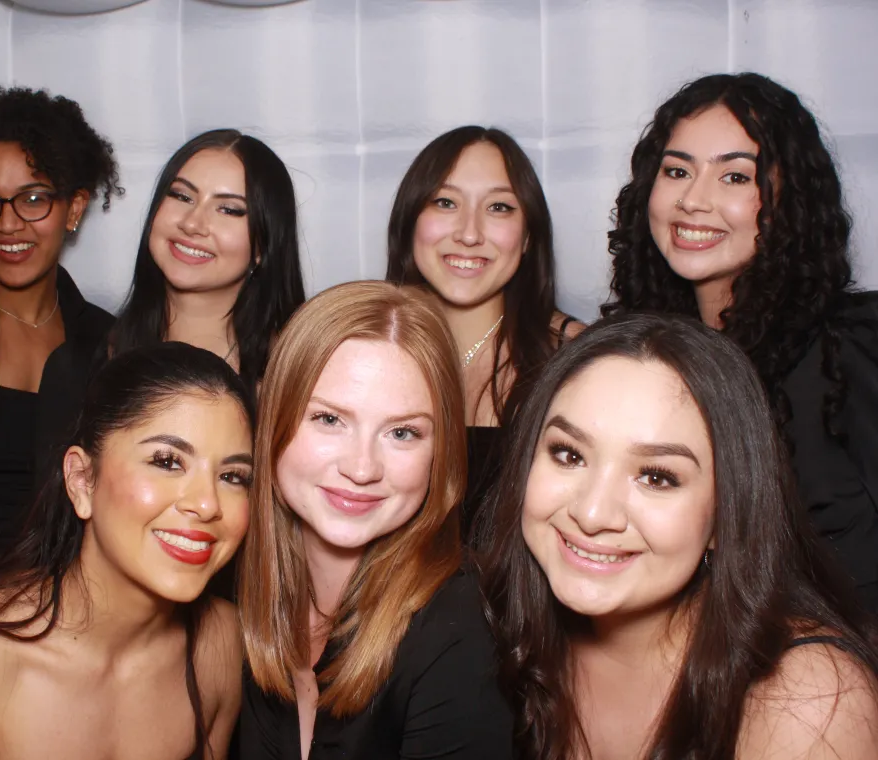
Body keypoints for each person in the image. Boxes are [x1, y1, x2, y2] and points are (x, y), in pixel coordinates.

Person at [477, 313, 878, 759]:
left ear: (725, 518)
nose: (592, 513)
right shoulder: (487, 629)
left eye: (656, 477)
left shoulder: (808, 702)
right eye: (568, 454)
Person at [0, 342, 253, 760]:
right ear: (81, 480)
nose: (207, 504)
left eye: (234, 476)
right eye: (166, 461)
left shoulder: (221, 645)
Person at [601, 72, 878, 609]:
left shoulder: (855, 349)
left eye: (735, 177)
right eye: (677, 171)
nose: (693, 201)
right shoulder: (643, 361)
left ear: (787, 198)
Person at [237, 281, 513, 759]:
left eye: (402, 432)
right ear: (274, 421)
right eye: (329, 420)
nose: (361, 468)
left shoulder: (459, 631)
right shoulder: (229, 589)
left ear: (439, 453)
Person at [0, 82, 123, 571]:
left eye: (34, 198)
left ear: (75, 209)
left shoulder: (112, 345)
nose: (7, 223)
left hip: (74, 608)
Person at [386, 126, 581, 539]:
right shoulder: (365, 350)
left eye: (499, 208)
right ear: (410, 220)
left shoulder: (577, 361)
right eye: (444, 202)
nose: (469, 233)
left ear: (528, 235)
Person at [107, 128, 305, 390]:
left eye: (229, 210)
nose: (192, 224)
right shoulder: (93, 355)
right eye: (182, 196)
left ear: (263, 244)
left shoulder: (293, 375)